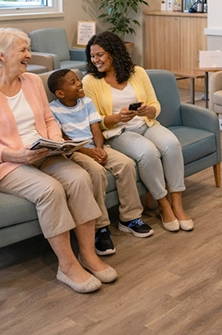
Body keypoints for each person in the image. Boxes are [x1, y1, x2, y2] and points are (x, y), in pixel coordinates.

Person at [0, 28, 115, 294]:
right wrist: (18, 155)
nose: (29, 55)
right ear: (2, 56)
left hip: (43, 152)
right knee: (50, 190)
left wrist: (56, 143)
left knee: (80, 178)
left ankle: (88, 254)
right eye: (23, 50)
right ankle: (67, 266)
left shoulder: (33, 82)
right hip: (6, 163)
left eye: (28, 48)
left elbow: (48, 120)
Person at [82, 31, 193, 233]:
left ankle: (177, 203)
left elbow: (154, 103)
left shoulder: (138, 72)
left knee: (172, 144)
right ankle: (163, 204)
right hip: (118, 133)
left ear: (114, 53)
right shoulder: (90, 81)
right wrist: (117, 117)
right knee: (147, 152)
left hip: (147, 123)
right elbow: (94, 121)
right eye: (92, 56)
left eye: (100, 54)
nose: (95, 60)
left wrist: (148, 110)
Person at [48, 68, 154, 257]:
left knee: (126, 164)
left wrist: (100, 148)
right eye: (73, 82)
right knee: (96, 172)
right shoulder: (52, 109)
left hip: (96, 146)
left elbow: (95, 128)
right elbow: (62, 138)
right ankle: (100, 228)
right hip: (76, 151)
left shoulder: (86, 102)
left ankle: (130, 218)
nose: (80, 83)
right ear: (60, 93)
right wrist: (88, 151)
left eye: (78, 79)